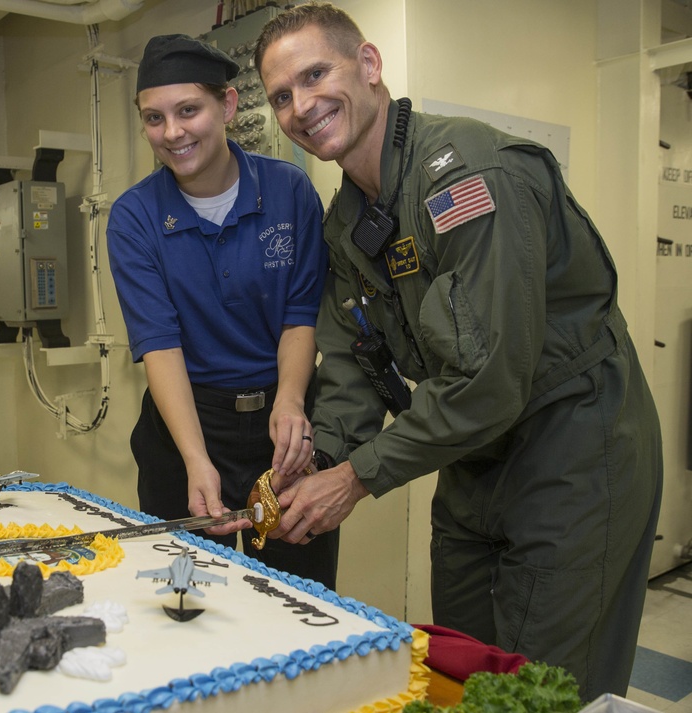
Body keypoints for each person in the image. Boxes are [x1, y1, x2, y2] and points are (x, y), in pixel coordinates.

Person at [254, 2, 662, 700]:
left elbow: (489, 377)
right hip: (470, 461)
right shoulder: (347, 221)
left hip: (571, 446)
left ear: (370, 66)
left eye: (316, 74)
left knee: (545, 689)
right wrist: (318, 458)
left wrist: (355, 477)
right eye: (282, 96)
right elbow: (353, 357)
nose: (301, 105)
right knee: (464, 674)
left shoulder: (471, 177)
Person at [106, 34, 338, 588]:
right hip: (184, 427)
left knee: (295, 598)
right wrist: (195, 458)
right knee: (183, 599)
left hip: (284, 426)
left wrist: (290, 401)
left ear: (228, 106)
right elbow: (159, 344)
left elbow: (299, 315)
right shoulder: (134, 218)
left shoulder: (290, 192)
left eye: (189, 110)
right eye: (154, 118)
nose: (173, 133)